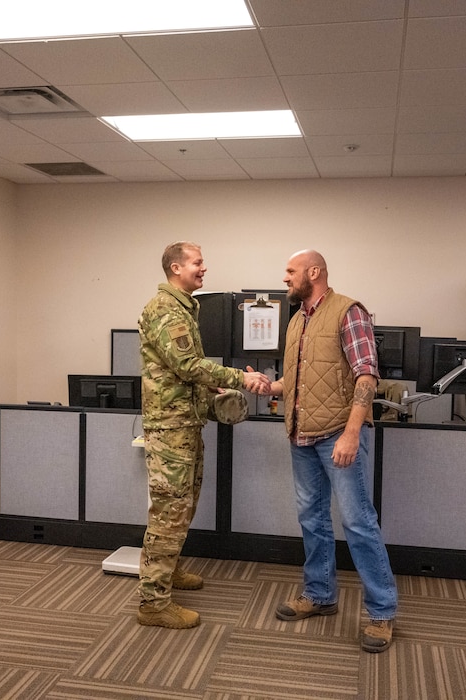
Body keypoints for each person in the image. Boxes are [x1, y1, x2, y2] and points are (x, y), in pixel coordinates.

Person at [260, 249, 398, 653]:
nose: (285, 278)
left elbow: (366, 375)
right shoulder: (297, 320)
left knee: (358, 523)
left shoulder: (348, 311)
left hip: (338, 435)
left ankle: (382, 613)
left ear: (314, 272)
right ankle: (319, 594)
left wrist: (353, 433)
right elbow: (299, 380)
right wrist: (269, 387)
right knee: (312, 518)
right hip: (301, 436)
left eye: (291, 271)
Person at [137, 242, 270, 629]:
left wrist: (209, 391)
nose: (204, 268)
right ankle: (152, 602)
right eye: (197, 263)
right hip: (171, 429)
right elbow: (186, 364)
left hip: (186, 424)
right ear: (176, 268)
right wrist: (238, 378)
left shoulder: (183, 307)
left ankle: (168, 572)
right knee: (168, 514)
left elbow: (180, 371)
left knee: (183, 507)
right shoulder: (164, 309)